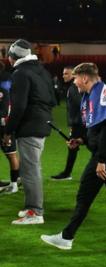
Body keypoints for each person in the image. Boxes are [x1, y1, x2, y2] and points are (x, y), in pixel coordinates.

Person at [41, 63, 106, 254]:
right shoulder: (91, 94)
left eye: (76, 78)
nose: (74, 82)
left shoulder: (101, 95)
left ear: (85, 78)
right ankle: (66, 237)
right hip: (104, 154)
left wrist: (102, 160)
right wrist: (81, 140)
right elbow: (96, 128)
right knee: (85, 194)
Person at [2, 39, 56, 225]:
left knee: (30, 169)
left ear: (12, 57)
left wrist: (9, 130)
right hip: (43, 123)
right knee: (31, 167)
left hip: (30, 126)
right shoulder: (41, 70)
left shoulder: (20, 73)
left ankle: (35, 212)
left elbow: (18, 107)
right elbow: (54, 98)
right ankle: (31, 206)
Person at [51, 66, 84, 181]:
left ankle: (67, 173)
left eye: (66, 74)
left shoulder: (73, 88)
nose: (63, 75)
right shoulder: (73, 87)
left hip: (79, 124)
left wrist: (73, 124)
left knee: (75, 146)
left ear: (73, 75)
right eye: (63, 73)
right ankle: (67, 173)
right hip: (79, 123)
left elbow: (80, 106)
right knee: (74, 148)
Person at [0, 61, 20, 195]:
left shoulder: (6, 85)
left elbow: (7, 107)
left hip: (4, 125)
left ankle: (14, 183)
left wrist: (6, 124)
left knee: (11, 154)